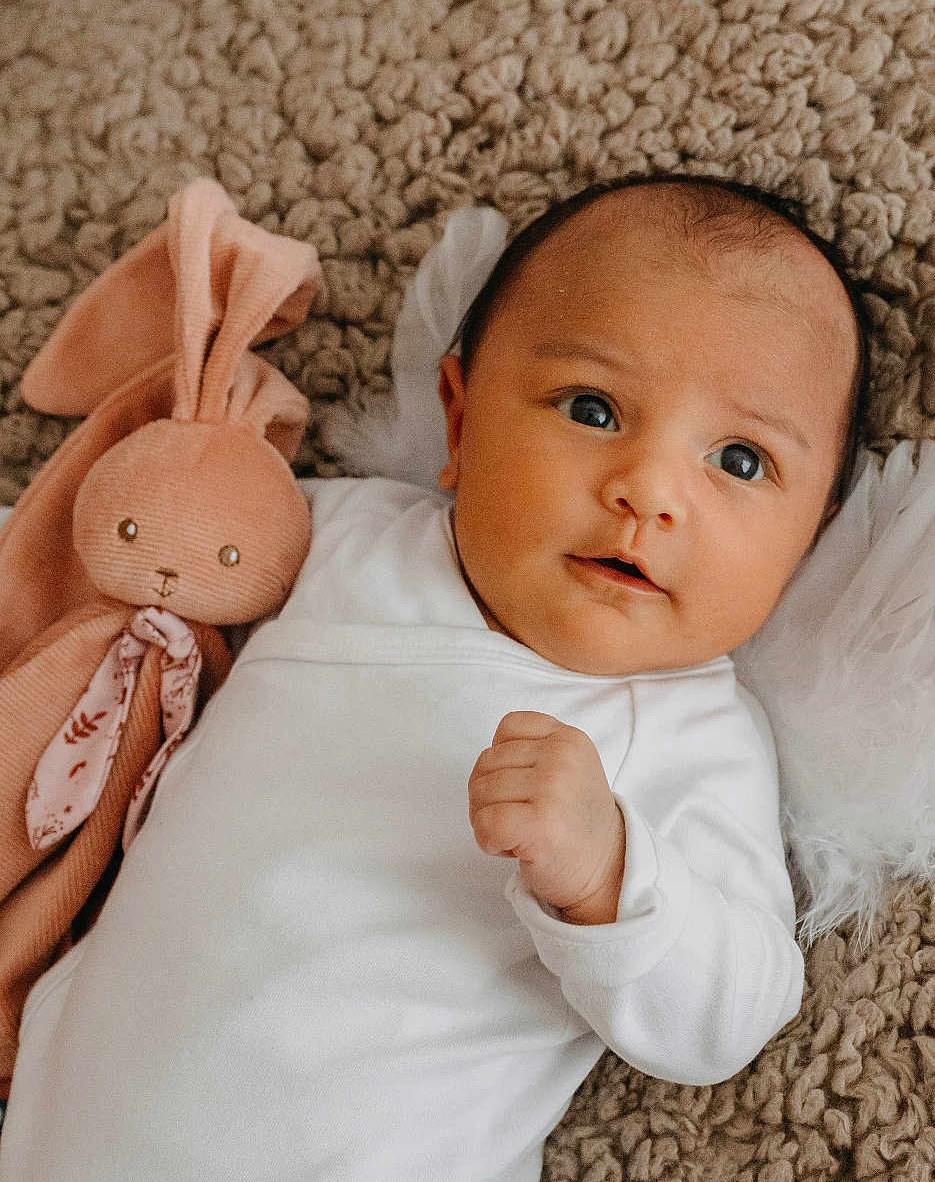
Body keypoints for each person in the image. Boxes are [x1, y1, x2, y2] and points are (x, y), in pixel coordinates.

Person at [0, 174, 871, 1181]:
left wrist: (604, 874)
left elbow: (730, 1011)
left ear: (810, 536)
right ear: (459, 423)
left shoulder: (693, 733)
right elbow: (150, 561)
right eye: (591, 407)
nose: (647, 488)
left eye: (739, 459)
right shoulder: (348, 538)